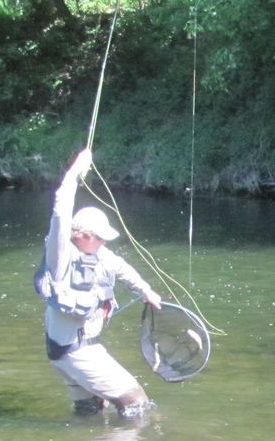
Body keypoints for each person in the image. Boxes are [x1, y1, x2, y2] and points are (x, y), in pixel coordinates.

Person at [35, 148, 162, 417]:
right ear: (80, 235)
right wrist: (76, 170)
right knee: (136, 404)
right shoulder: (60, 256)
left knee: (90, 411)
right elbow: (60, 210)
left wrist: (146, 290)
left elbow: (122, 268)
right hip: (76, 353)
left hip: (67, 352)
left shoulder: (98, 253)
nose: (104, 241)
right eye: (99, 237)